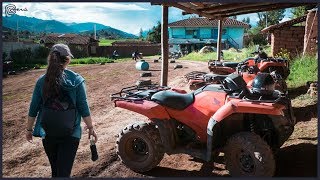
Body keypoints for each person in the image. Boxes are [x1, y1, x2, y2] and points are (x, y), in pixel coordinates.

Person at [26, 44, 98, 177]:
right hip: (71, 134)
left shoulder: (41, 81)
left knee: (56, 171)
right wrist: (90, 128)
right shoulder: (76, 80)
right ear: (67, 59)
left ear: (50, 58)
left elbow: (33, 107)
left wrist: (29, 130)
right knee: (64, 172)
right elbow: (83, 106)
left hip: (48, 132)